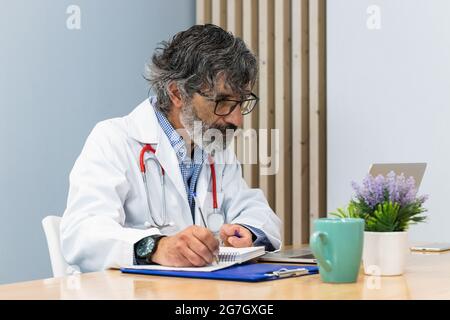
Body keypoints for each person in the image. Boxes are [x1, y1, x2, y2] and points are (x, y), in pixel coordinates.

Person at [61, 24, 281, 272]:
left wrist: (247, 231)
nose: (237, 120)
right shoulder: (114, 139)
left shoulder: (213, 146)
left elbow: (254, 209)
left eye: (241, 103)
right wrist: (156, 247)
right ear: (178, 93)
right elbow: (81, 232)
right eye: (223, 102)